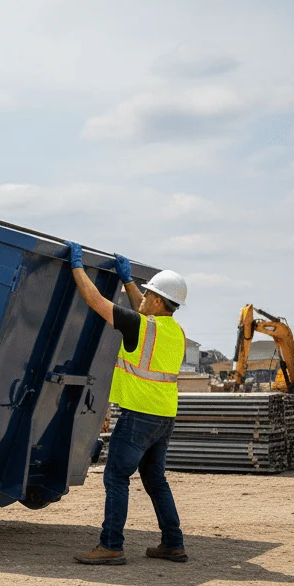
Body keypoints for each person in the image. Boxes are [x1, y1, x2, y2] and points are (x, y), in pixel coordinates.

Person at [64, 242, 189, 566]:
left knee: (115, 477)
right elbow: (141, 309)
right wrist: (128, 281)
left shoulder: (142, 326)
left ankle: (111, 545)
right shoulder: (174, 331)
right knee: (154, 479)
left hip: (138, 416)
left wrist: (76, 265)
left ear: (159, 301)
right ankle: (173, 543)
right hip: (163, 417)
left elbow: (95, 301)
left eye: (148, 295)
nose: (142, 299)